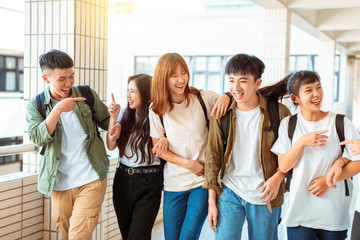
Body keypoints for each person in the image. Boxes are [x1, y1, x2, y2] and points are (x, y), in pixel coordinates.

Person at [203, 53, 291, 240]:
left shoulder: (279, 112)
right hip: (229, 191)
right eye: (231, 80)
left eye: (243, 81)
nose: (236, 87)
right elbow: (212, 156)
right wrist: (211, 202)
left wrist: (278, 177)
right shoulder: (222, 112)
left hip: (265, 193)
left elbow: (291, 155)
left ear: (257, 83)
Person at [26, 49, 110, 239]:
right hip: (60, 183)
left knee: (78, 236)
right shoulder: (36, 105)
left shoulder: (86, 94)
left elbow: (107, 121)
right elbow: (36, 138)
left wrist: (118, 120)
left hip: (92, 176)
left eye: (71, 76)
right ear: (46, 79)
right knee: (65, 234)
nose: (68, 83)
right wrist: (57, 111)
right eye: (62, 79)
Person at [149, 53, 230, 240]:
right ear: (163, 78)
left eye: (183, 73)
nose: (181, 80)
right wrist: (187, 164)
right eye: (174, 75)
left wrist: (226, 95)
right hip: (174, 183)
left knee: (187, 237)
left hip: (200, 181)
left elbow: (235, 100)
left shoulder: (203, 98)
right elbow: (159, 149)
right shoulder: (156, 109)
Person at [271, 70, 360, 240]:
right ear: (294, 98)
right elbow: (283, 166)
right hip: (298, 212)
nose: (316, 94)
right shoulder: (289, 124)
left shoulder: (341, 122)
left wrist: (329, 180)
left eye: (318, 87)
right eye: (308, 90)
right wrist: (301, 142)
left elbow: (357, 161)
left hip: (333, 213)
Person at [107, 74, 167, 240]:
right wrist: (113, 118)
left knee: (137, 236)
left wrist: (165, 139)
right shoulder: (124, 114)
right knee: (128, 236)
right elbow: (110, 145)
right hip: (123, 181)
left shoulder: (158, 115)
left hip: (149, 182)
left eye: (133, 91)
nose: (128, 95)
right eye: (128, 90)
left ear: (146, 93)